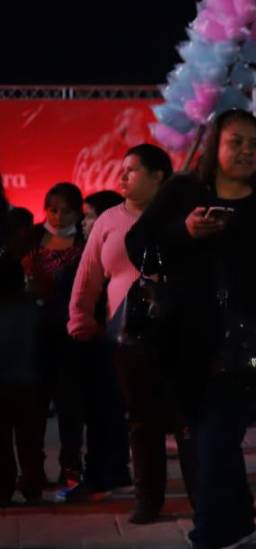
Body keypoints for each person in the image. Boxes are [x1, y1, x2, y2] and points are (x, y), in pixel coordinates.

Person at [126, 110, 256, 549]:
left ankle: (206, 541)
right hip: (185, 336)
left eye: (254, 143)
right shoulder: (181, 193)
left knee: (219, 429)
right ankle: (239, 520)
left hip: (250, 339)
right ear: (214, 144)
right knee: (211, 431)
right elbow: (140, 245)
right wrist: (184, 233)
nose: (246, 152)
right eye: (236, 142)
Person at [69, 144, 196, 523]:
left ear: (159, 177)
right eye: (121, 170)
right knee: (141, 422)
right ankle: (148, 499)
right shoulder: (109, 220)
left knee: (186, 421)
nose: (122, 177)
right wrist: (79, 316)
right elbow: (88, 274)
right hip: (126, 338)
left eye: (132, 170)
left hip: (180, 336)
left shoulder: (184, 217)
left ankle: (202, 498)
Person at [23, 183, 90, 489]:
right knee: (34, 408)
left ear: (78, 212)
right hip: (33, 336)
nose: (59, 216)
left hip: (70, 336)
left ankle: (71, 469)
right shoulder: (31, 238)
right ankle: (32, 472)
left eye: (67, 210)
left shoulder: (86, 240)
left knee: (70, 406)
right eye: (53, 209)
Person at [0, 255, 43, 505]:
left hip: (3, 384)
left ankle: (3, 488)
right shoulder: (34, 308)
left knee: (2, 442)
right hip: (30, 384)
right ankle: (32, 486)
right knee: (30, 441)